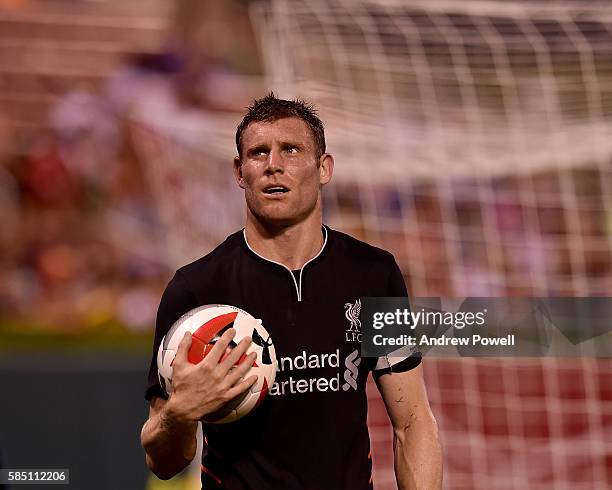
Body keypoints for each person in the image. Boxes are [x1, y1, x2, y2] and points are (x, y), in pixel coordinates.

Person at [141, 94, 443, 489]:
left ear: (324, 168)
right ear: (239, 171)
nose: (273, 166)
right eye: (258, 153)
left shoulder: (373, 274)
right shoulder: (196, 290)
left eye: (291, 150)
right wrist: (180, 414)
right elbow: (161, 462)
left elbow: (413, 422)